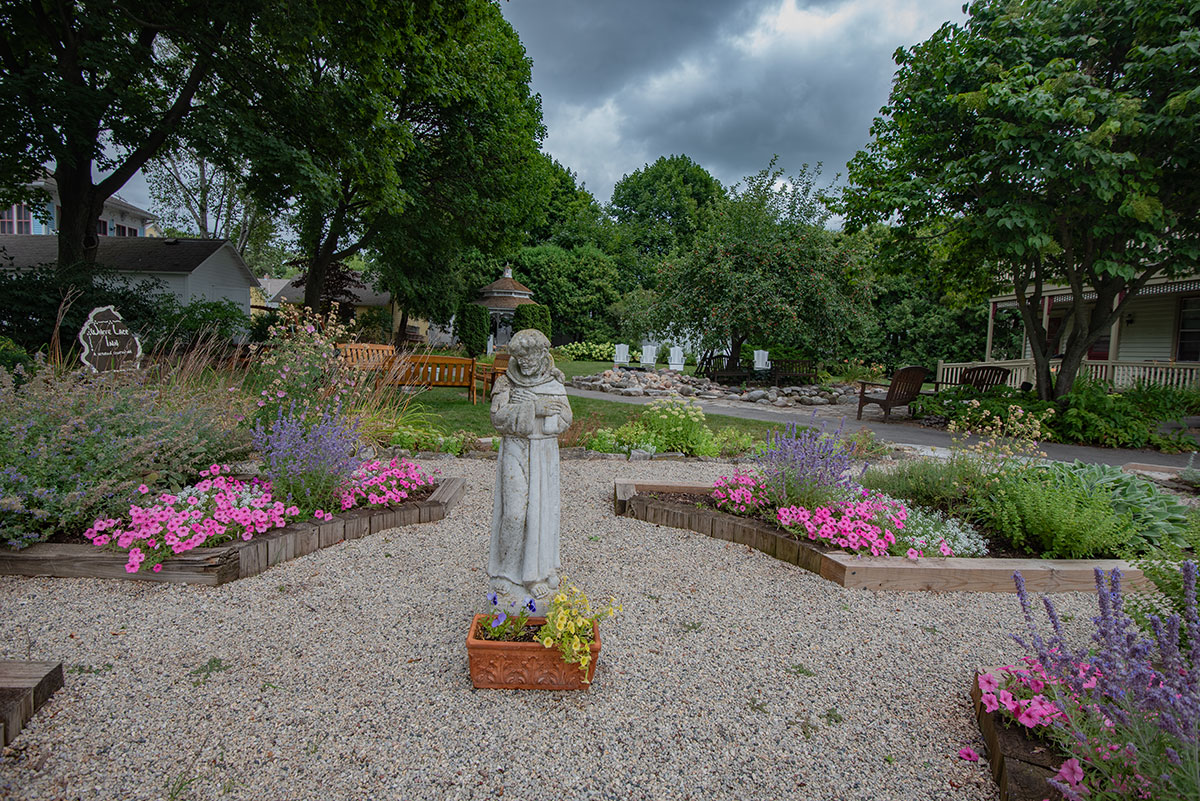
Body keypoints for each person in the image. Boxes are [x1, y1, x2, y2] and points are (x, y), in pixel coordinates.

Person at [488, 329, 572, 603]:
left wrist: (551, 414)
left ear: (542, 355)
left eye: (529, 357)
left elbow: (565, 418)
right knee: (513, 514)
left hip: (544, 453)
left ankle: (536, 574)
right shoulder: (505, 384)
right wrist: (535, 407)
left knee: (540, 513)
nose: (524, 363)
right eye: (519, 358)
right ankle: (505, 572)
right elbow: (498, 418)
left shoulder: (554, 382)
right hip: (514, 448)